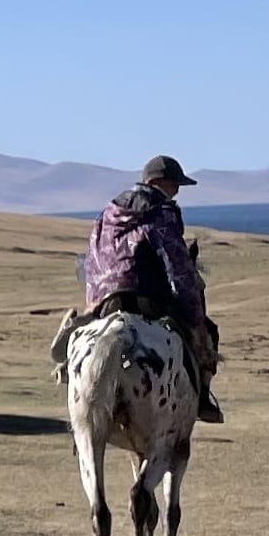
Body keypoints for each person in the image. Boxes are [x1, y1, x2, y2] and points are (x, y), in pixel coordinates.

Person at [76, 154, 224, 423]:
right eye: (174, 184)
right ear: (158, 182)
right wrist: (194, 313)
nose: (177, 191)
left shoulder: (108, 212)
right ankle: (202, 398)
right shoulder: (161, 212)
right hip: (145, 295)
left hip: (103, 298)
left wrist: (93, 299)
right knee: (207, 333)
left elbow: (92, 257)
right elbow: (177, 265)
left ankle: (77, 390)